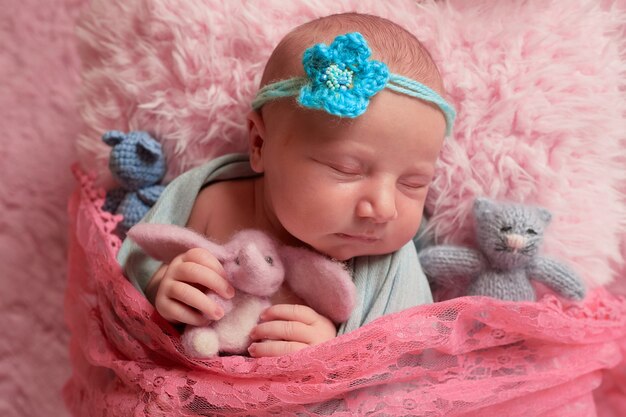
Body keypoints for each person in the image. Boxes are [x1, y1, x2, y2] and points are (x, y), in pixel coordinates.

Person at [117, 12, 456, 358]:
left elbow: (412, 358)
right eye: (346, 169)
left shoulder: (387, 265)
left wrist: (336, 355)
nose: (385, 208)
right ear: (259, 145)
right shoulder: (213, 202)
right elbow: (129, 277)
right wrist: (162, 288)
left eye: (414, 183)